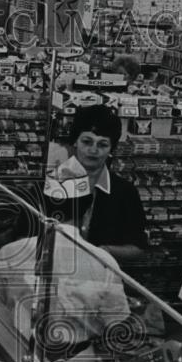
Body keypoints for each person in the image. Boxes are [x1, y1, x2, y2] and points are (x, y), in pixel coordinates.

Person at [0, 175, 131, 352]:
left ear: (40, 210)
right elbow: (115, 324)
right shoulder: (104, 261)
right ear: (87, 213)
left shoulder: (9, 252)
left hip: (18, 352)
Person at [52, 105, 147, 263]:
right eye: (87, 142)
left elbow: (138, 248)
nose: (93, 150)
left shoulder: (125, 192)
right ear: (75, 141)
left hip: (101, 281)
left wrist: (104, 251)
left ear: (111, 149)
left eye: (102, 145)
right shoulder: (51, 184)